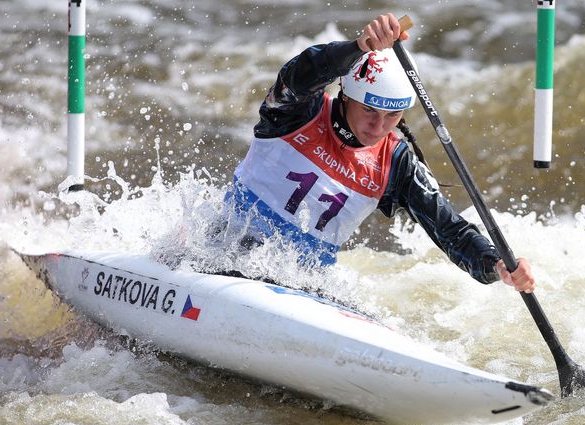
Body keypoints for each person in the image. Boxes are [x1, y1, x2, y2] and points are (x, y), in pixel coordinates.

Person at [225, 13, 536, 293]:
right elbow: (304, 71)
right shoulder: (296, 112)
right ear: (346, 96)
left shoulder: (396, 163)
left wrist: (497, 266)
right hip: (223, 251)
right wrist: (358, 47)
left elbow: (451, 231)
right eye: (370, 110)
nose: (378, 126)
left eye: (393, 115)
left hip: (302, 285)